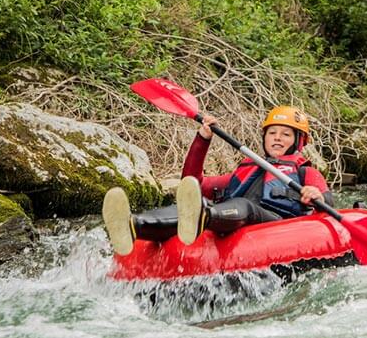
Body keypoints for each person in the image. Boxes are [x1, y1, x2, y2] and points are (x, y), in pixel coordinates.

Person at [102, 105, 334, 255]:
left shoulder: (305, 173)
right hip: (231, 219)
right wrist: (203, 140)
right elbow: (192, 183)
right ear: (264, 137)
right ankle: (135, 225)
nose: (277, 139)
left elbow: (327, 203)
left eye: (285, 134)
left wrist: (315, 195)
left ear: (297, 141)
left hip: (276, 224)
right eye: (272, 133)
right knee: (182, 207)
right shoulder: (246, 169)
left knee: (244, 206)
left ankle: (206, 215)